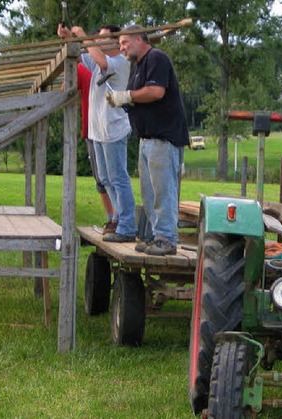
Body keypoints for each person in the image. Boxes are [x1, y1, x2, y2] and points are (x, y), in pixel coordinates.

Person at [106, 26, 189, 256]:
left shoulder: (156, 58)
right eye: (120, 44)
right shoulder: (138, 66)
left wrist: (128, 96)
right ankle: (155, 236)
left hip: (163, 137)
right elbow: (140, 97)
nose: (122, 48)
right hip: (147, 138)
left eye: (125, 42)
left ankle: (167, 238)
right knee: (149, 193)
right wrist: (123, 101)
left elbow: (155, 92)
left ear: (139, 39)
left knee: (163, 191)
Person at [58, 23, 137, 242]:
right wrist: (68, 38)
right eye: (97, 38)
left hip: (114, 129)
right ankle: (120, 219)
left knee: (118, 177)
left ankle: (128, 226)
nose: (99, 41)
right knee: (105, 178)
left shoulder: (119, 63)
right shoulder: (98, 60)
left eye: (103, 38)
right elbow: (82, 54)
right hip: (98, 131)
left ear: (115, 42)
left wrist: (82, 34)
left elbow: (100, 60)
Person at [77, 61, 117, 234]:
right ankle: (116, 218)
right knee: (110, 176)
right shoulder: (103, 66)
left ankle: (114, 218)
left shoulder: (80, 68)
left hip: (94, 128)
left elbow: (65, 89)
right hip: (105, 127)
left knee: (104, 178)